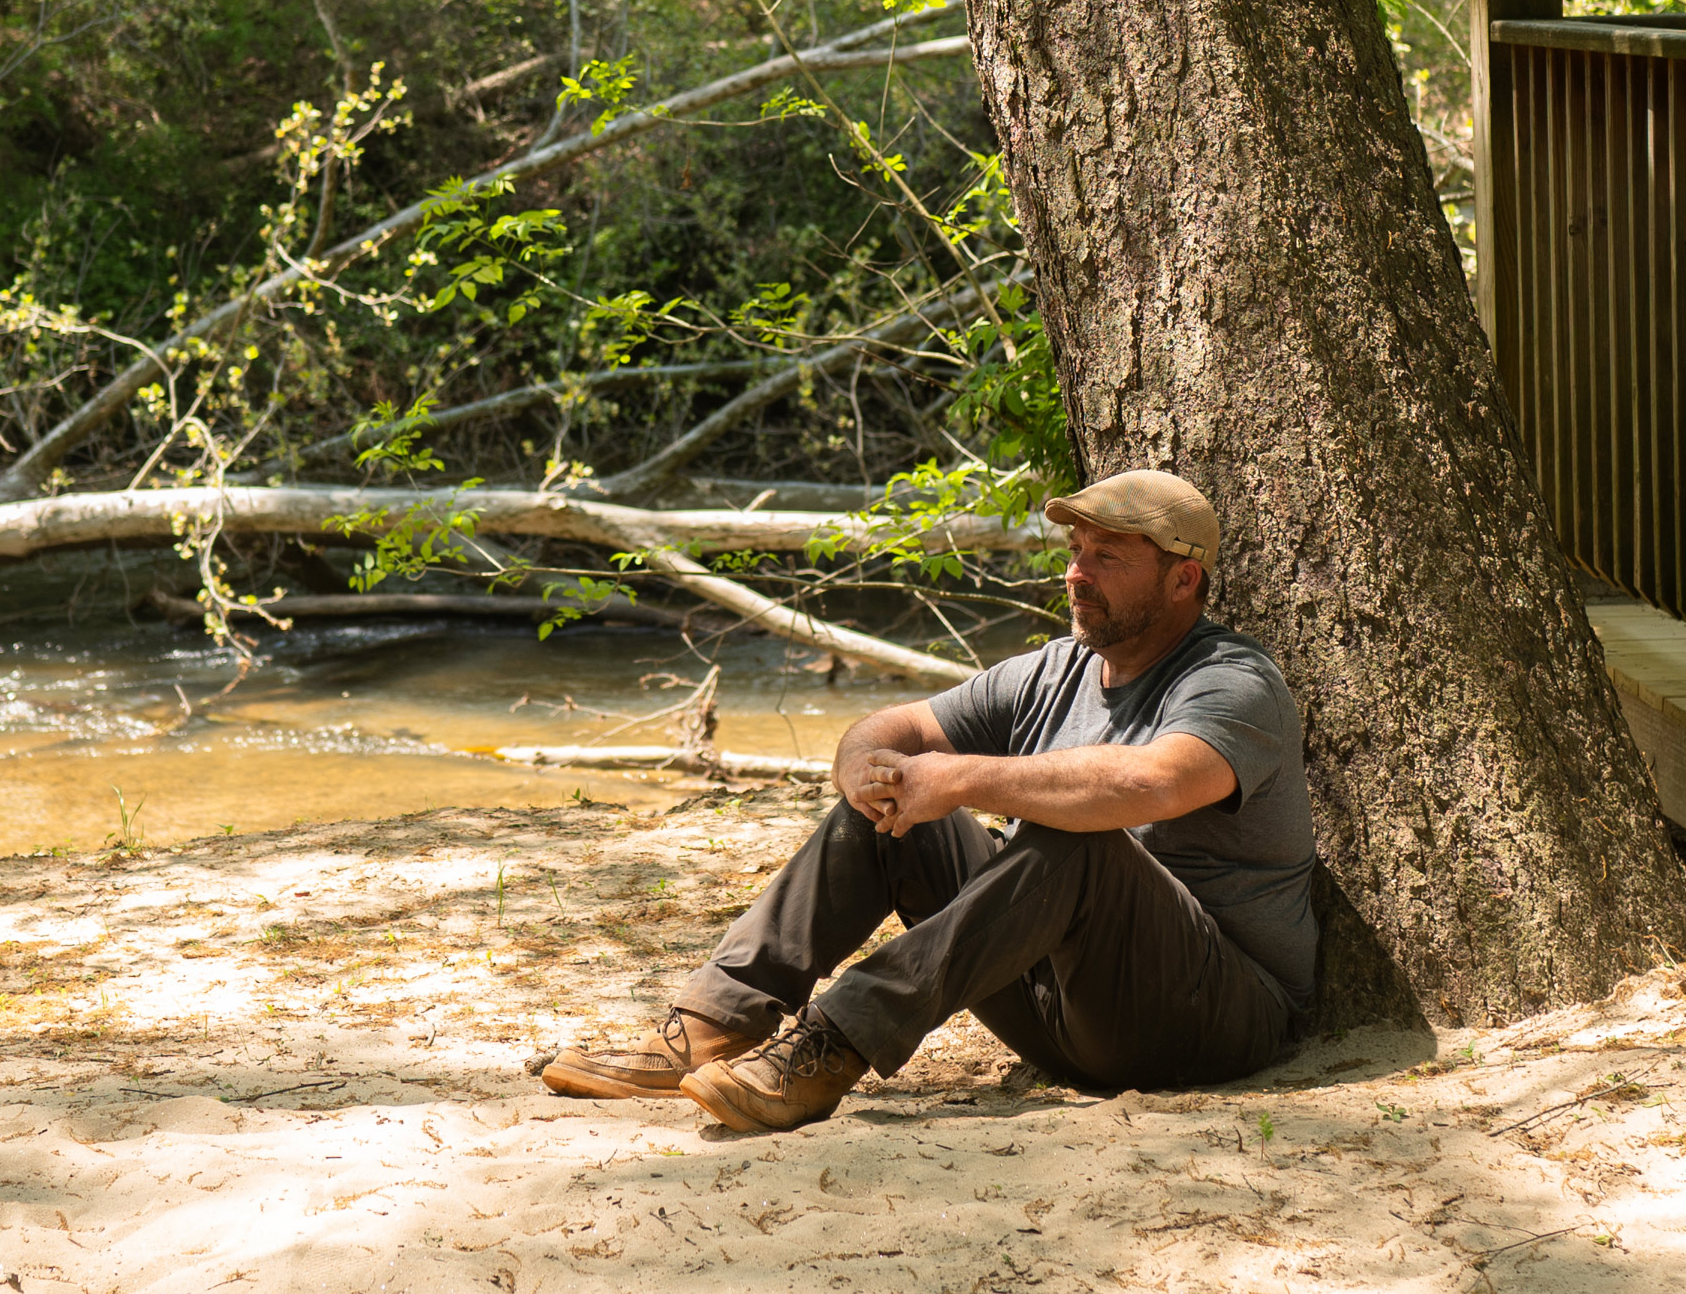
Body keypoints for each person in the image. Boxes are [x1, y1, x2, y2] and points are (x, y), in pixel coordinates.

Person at [539, 468, 1318, 1133]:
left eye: (1107, 557)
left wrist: (964, 779)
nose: (1076, 574)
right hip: (1061, 1013)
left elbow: (1155, 781)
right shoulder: (1054, 670)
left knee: (1080, 835)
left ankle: (830, 1046)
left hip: (1211, 1019)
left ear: (1184, 579)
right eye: (1076, 552)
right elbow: (901, 726)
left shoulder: (1232, 683)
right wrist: (864, 769)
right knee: (887, 809)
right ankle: (711, 1026)